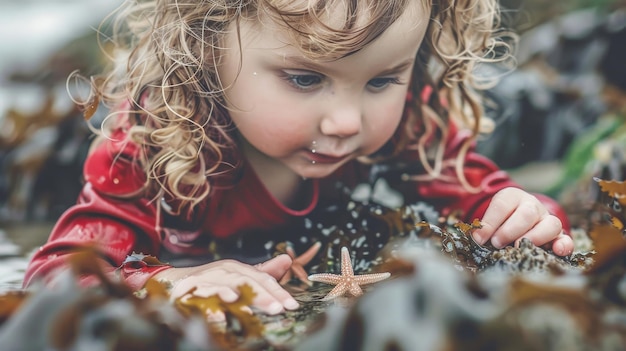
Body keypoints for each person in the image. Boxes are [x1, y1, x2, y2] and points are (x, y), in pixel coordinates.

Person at [24, 0, 574, 317]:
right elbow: (56, 275)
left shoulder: (415, 124)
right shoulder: (149, 141)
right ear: (205, 46)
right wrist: (165, 281)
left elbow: (492, 200)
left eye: (383, 79)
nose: (347, 122)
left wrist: (524, 214)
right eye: (306, 78)